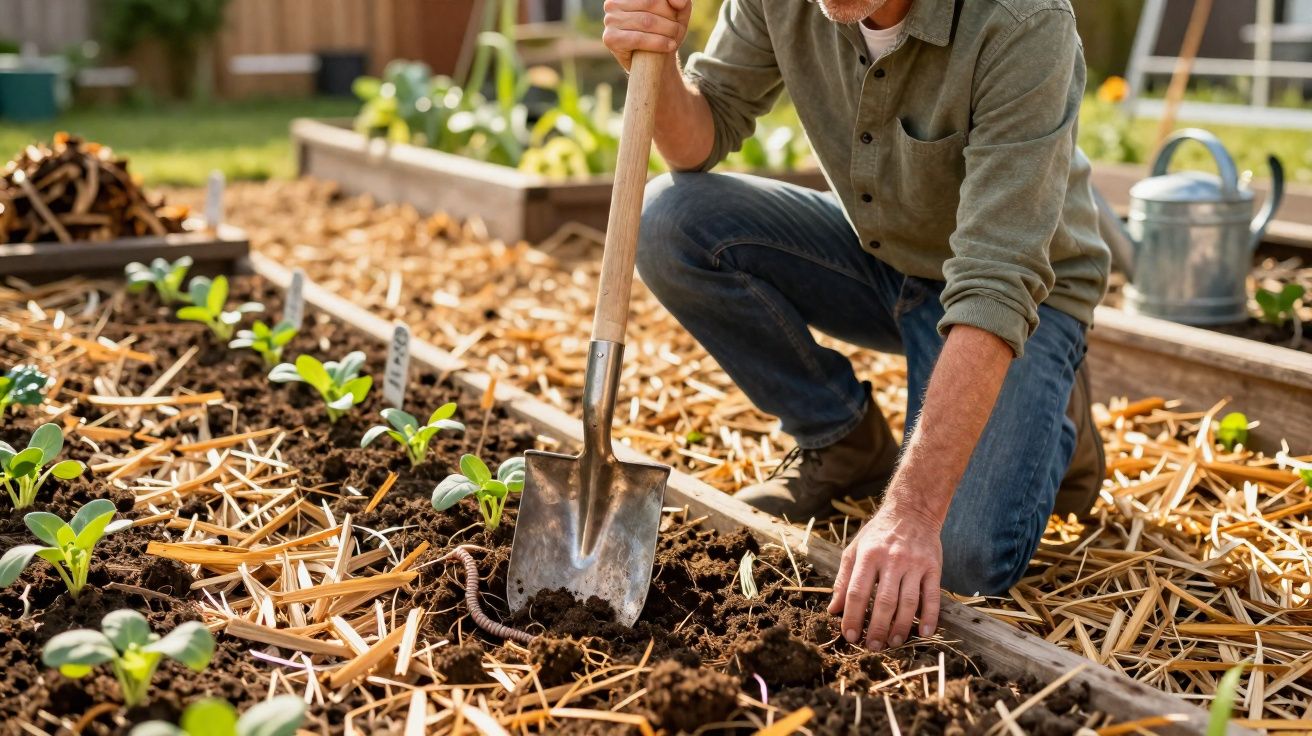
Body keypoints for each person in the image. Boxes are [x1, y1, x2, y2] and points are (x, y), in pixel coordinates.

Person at [600, 0, 1111, 652]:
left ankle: (1051, 392)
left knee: (962, 561)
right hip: (883, 258)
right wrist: (658, 60)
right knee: (673, 221)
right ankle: (842, 438)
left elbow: (997, 280)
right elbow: (705, 132)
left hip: (1017, 294)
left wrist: (912, 514)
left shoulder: (1022, 19)